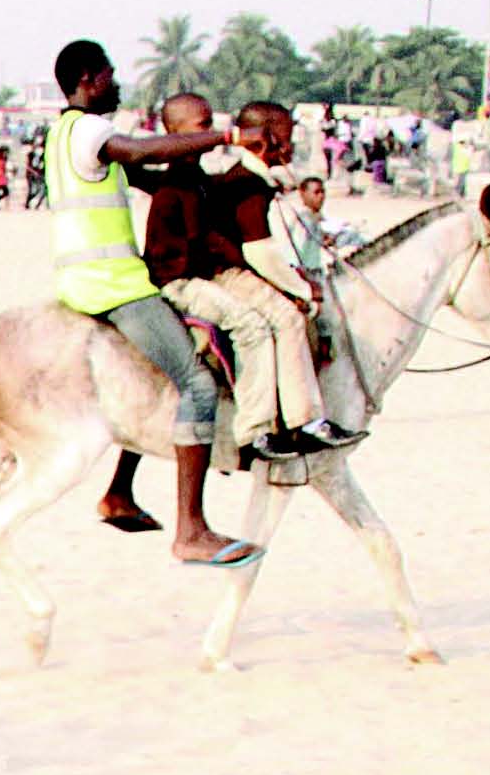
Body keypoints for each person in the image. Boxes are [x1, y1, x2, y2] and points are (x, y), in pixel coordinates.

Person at [46, 40, 255, 566]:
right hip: (113, 284)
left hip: (82, 277)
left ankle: (120, 492)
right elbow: (142, 154)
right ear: (89, 78)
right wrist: (226, 135)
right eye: (110, 76)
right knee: (196, 383)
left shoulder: (63, 134)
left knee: (155, 375)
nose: (116, 84)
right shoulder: (95, 130)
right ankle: (191, 529)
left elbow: (151, 178)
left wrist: (231, 174)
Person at [175, 97, 361, 457]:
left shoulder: (252, 179)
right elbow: (258, 252)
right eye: (287, 136)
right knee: (288, 318)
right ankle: (276, 426)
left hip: (233, 269)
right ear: (267, 138)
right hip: (224, 273)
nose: (291, 146)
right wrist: (302, 288)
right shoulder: (247, 184)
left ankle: (299, 418)